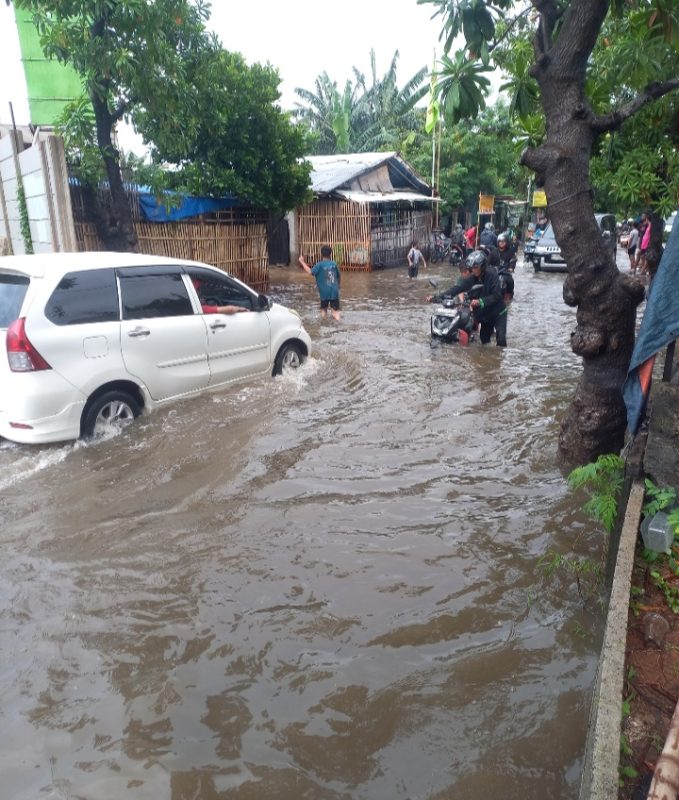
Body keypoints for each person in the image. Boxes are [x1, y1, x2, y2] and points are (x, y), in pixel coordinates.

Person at [426, 249, 507, 346]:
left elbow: (497, 295)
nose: (473, 270)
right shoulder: (472, 278)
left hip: (498, 312)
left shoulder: (492, 274)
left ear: (482, 266)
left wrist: (481, 301)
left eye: (475, 267)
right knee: (485, 341)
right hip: (485, 315)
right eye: (472, 268)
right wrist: (436, 297)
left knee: (501, 339)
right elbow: (457, 289)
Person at [299, 245, 341, 320]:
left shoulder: (319, 265)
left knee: (323, 310)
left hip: (324, 292)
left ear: (321, 254)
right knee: (335, 312)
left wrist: (302, 262)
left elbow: (310, 272)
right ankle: (339, 323)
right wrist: (338, 287)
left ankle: (324, 324)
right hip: (334, 291)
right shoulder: (334, 264)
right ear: (330, 254)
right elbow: (338, 277)